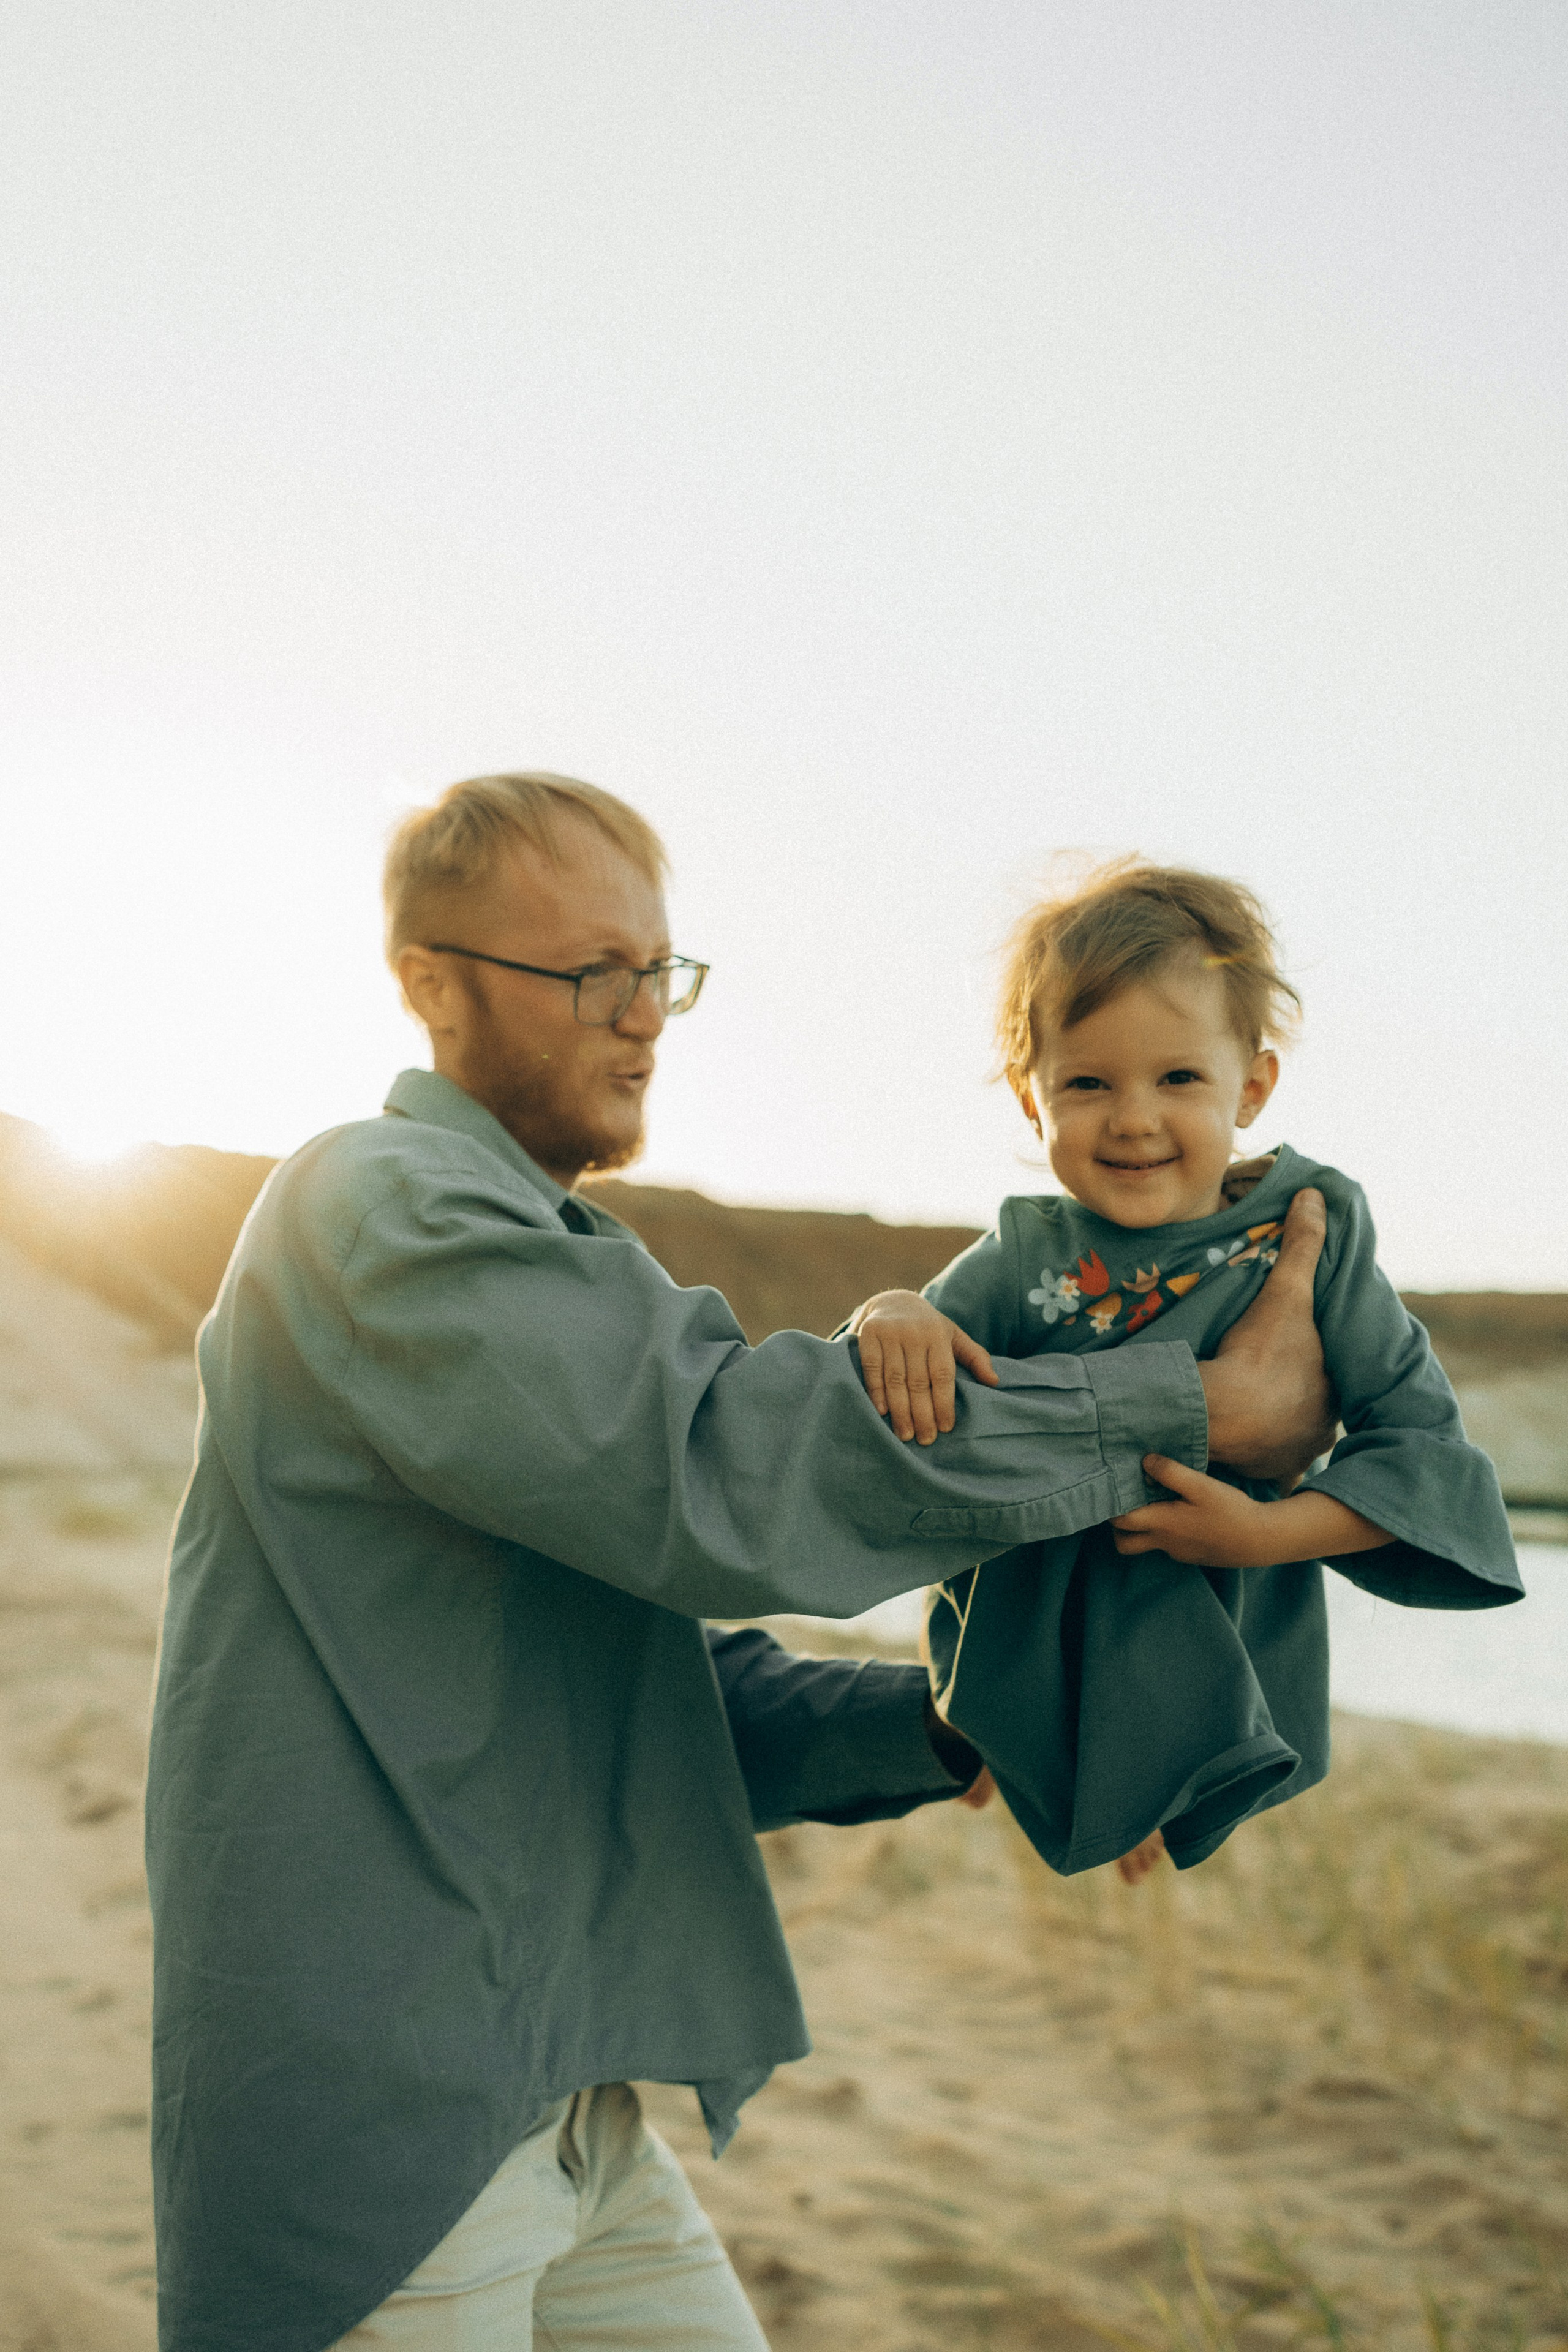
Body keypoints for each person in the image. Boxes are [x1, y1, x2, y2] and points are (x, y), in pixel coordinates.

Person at [145, 781, 1340, 2352]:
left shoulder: (572, 1260)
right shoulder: (378, 1206)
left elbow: (651, 1673)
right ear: (430, 981)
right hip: (387, 2117)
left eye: (660, 971)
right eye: (590, 975)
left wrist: (949, 1721)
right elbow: (715, 1470)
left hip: (573, 2101)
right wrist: (1185, 1403)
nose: (644, 1019)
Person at [848, 860, 1521, 1882]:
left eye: (1177, 1078)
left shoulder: (1309, 1228)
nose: (1132, 1118)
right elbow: (914, 1353)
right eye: (1086, 1082)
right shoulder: (1028, 1249)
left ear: (1250, 1084)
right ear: (1032, 1100)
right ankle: (1090, 1766)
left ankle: (1169, 1776)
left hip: (1229, 1619)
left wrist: (1260, 1532)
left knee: (1178, 1780)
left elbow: (1425, 1453)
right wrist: (889, 1312)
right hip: (1037, 1636)